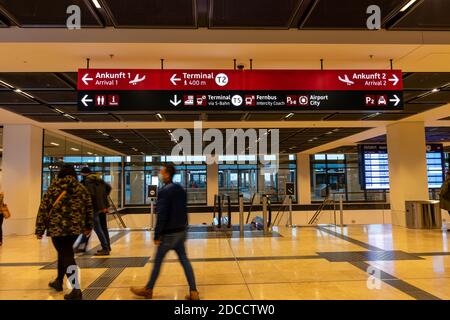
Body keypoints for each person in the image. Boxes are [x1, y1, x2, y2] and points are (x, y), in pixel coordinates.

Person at [131, 163, 199, 300]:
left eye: (162, 173)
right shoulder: (180, 189)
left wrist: (157, 234)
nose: (161, 175)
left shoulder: (164, 191)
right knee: (185, 261)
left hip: (168, 235)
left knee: (158, 262)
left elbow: (161, 215)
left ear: (167, 174)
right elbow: (185, 211)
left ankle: (148, 289)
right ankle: (193, 292)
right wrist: (185, 227)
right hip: (180, 232)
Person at [35, 164, 94, 300]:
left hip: (57, 229)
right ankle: (58, 281)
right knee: (64, 252)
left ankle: (76, 289)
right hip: (74, 229)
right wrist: (88, 226)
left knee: (66, 255)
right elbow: (88, 207)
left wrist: (39, 229)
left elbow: (44, 208)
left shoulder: (54, 188)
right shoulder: (81, 188)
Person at [74, 167, 112, 256]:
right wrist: (103, 199)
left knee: (96, 228)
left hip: (93, 207)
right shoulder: (99, 180)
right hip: (102, 207)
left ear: (83, 174)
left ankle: (105, 248)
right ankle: (82, 246)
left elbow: (91, 195)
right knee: (98, 227)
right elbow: (108, 187)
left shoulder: (87, 181)